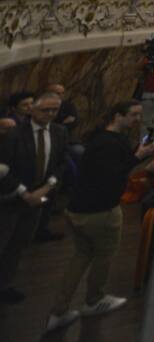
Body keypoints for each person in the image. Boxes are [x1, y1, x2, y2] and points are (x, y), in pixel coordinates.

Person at [45, 99, 154, 331]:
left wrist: (137, 154)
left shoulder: (101, 137)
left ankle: (59, 310)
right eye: (134, 115)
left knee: (81, 256)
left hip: (78, 208)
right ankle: (94, 300)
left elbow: (115, 166)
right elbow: (111, 176)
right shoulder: (109, 143)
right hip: (100, 211)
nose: (138, 119)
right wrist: (138, 157)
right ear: (118, 115)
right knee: (103, 255)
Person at [0, 91, 68, 304]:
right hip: (10, 198)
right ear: (32, 110)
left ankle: (5, 285)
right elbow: (3, 168)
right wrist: (24, 192)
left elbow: (61, 163)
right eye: (44, 109)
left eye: (54, 110)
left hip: (39, 198)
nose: (49, 114)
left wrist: (47, 188)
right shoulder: (14, 134)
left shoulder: (59, 132)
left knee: (19, 243)